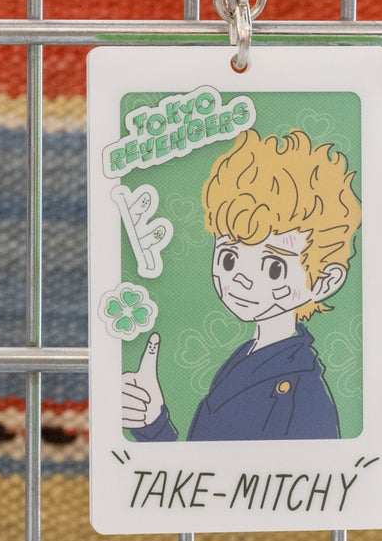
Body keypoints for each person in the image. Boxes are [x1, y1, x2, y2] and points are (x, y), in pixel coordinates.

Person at [122, 128, 360, 442]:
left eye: (274, 267)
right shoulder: (249, 358)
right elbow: (204, 464)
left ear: (325, 281)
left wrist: (154, 429)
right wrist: (153, 422)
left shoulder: (301, 394)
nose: (241, 278)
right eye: (229, 258)